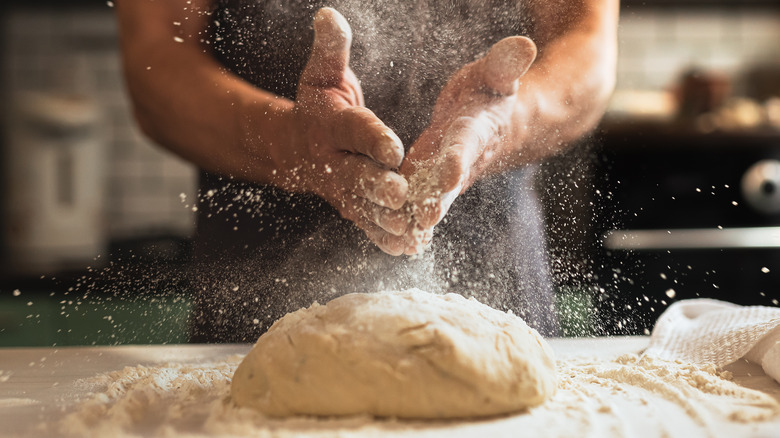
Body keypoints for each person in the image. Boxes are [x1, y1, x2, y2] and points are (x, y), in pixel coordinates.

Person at [116, 0, 618, 342]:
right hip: (254, 312)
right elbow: (155, 60)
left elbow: (587, 45)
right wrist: (290, 142)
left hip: (497, 299)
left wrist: (505, 122)